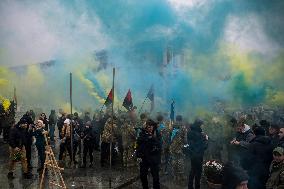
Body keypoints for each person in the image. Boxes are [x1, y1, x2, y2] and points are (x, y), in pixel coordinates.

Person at [136, 119, 161, 189]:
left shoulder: (157, 134)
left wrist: (153, 137)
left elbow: (159, 145)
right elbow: (138, 145)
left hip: (154, 158)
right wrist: (138, 156)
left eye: (150, 127)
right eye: (147, 127)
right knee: (143, 176)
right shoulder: (142, 134)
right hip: (144, 158)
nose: (149, 128)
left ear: (153, 126)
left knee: (155, 177)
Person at [187, 119, 208, 189]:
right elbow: (204, 147)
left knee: (192, 170)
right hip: (198, 156)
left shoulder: (190, 132)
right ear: (199, 125)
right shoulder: (199, 135)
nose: (203, 126)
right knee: (198, 172)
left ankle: (190, 186)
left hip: (192, 154)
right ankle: (197, 187)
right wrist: (206, 139)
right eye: (202, 125)